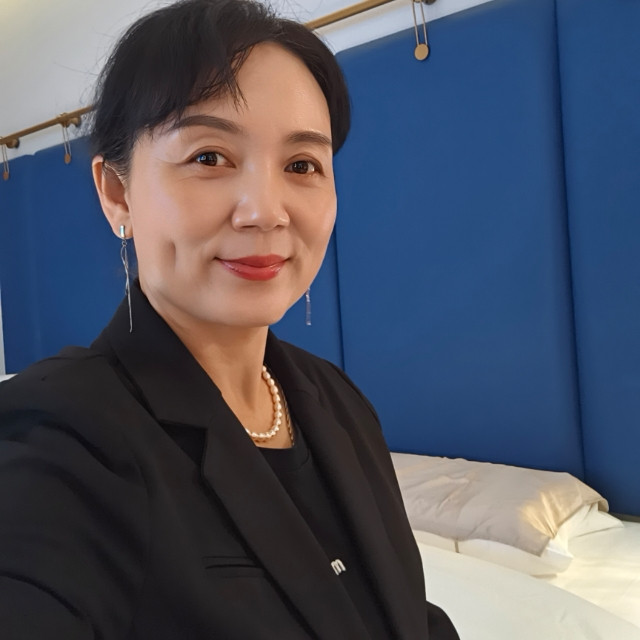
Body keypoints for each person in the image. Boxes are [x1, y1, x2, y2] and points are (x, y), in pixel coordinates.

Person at [0, 1, 459, 638]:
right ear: (118, 193)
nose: (265, 212)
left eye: (301, 166)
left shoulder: (339, 400)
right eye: (210, 157)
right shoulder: (59, 439)